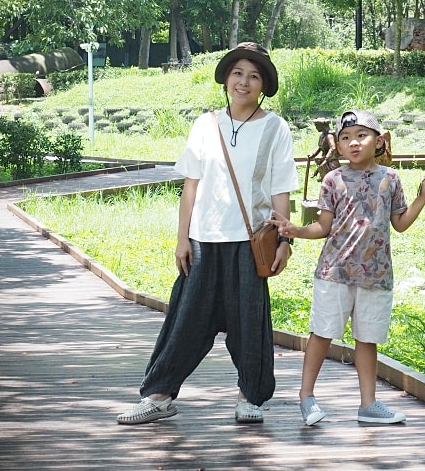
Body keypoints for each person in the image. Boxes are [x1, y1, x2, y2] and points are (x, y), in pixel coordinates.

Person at [116, 42, 299, 425]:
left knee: (249, 323)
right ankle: (159, 396)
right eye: (237, 73)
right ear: (226, 79)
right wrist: (182, 239)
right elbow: (191, 187)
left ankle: (250, 397)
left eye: (254, 76)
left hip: (250, 242)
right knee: (185, 321)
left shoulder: (275, 128)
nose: (244, 82)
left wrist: (285, 240)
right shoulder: (205, 124)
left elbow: (280, 188)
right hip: (203, 241)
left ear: (264, 84)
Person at [271, 109, 425, 426]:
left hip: (376, 275)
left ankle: (369, 405)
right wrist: (296, 231)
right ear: (337, 145)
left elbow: (400, 223)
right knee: (322, 334)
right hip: (334, 272)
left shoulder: (390, 179)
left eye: (361, 136)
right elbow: (323, 227)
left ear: (378, 141)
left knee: (367, 339)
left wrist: (422, 197)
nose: (353, 142)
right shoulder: (333, 180)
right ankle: (306, 397)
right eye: (346, 137)